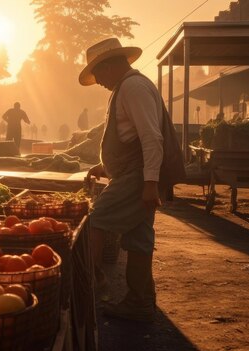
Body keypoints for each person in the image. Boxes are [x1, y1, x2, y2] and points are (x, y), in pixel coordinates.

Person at [81, 38, 164, 322]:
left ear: (111, 65)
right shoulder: (126, 87)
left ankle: (91, 282)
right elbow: (129, 138)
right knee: (139, 237)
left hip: (137, 175)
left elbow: (151, 138)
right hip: (133, 173)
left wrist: (150, 184)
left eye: (99, 74)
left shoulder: (133, 87)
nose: (99, 81)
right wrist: (105, 167)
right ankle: (140, 302)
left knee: (95, 220)